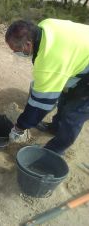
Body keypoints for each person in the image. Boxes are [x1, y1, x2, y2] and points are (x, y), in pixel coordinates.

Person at [5, 19, 89, 155]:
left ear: (28, 44)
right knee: (65, 95)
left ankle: (52, 153)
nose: (16, 53)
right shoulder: (45, 26)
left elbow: (40, 105)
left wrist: (20, 126)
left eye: (17, 50)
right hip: (82, 57)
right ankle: (55, 127)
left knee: (74, 114)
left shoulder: (48, 64)